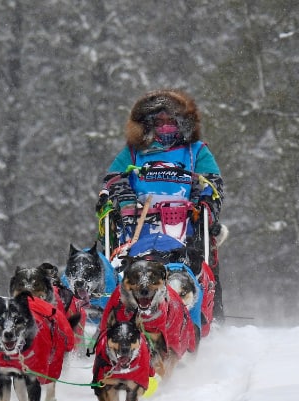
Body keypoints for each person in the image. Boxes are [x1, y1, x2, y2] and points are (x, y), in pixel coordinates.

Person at [96, 88, 225, 319]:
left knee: (204, 251)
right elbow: (113, 179)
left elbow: (213, 185)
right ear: (148, 124)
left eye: (171, 121)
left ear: (183, 123)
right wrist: (125, 198)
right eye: (159, 121)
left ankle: (207, 313)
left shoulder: (196, 152)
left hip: (185, 225)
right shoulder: (134, 153)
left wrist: (202, 204)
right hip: (136, 224)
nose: (166, 127)